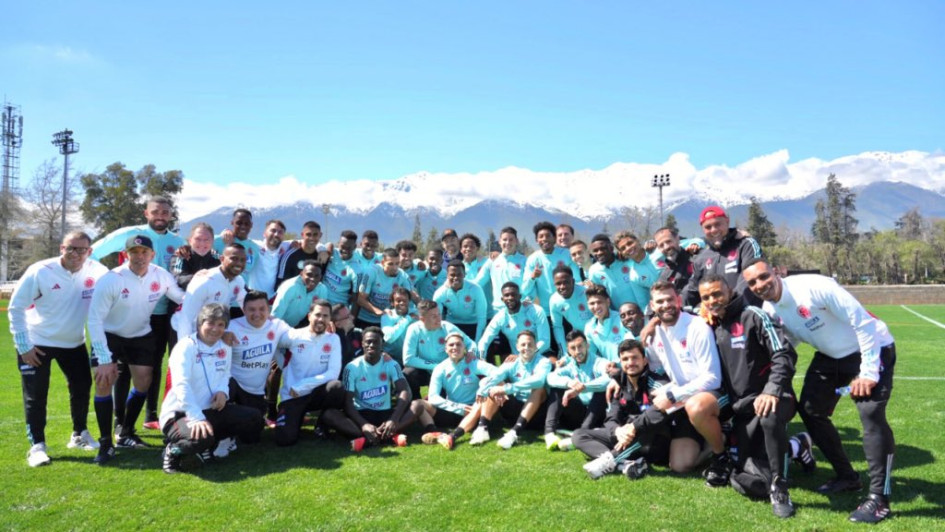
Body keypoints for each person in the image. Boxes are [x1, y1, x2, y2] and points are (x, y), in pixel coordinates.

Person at [743, 259, 897, 524]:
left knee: (870, 413)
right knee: (812, 411)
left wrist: (868, 372)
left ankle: (879, 499)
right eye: (752, 282)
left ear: (777, 272)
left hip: (873, 347)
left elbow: (863, 322)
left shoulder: (815, 287)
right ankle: (847, 477)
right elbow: (786, 344)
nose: (760, 285)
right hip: (830, 357)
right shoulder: (770, 308)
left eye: (763, 276)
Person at [698, 274, 800, 518]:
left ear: (730, 291)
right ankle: (797, 447)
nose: (712, 300)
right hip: (743, 409)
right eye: (706, 297)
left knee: (769, 415)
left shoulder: (755, 315)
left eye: (717, 294)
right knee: (749, 483)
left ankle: (780, 488)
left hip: (774, 398)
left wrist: (771, 390)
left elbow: (784, 355)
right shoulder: (712, 325)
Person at [9, 231, 109, 467]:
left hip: (73, 343)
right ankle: (37, 447)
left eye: (81, 249)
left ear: (89, 251)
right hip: (37, 342)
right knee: (36, 395)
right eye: (70, 248)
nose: (75, 254)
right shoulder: (40, 270)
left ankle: (79, 435)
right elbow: (16, 307)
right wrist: (24, 346)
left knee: (82, 387)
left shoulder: (97, 271)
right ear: (61, 248)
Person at [90, 196, 185, 433]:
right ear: (146, 213)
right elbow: (92, 253)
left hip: (154, 318)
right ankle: (115, 425)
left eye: (165, 212)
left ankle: (140, 420)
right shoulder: (126, 240)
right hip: (118, 322)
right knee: (115, 374)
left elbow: (179, 293)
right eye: (156, 211)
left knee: (148, 371)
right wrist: (106, 278)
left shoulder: (173, 249)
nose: (161, 215)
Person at [159, 303, 264, 474]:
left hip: (210, 410)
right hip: (180, 414)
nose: (215, 329)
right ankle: (173, 450)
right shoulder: (185, 347)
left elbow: (225, 374)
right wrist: (196, 418)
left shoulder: (224, 345)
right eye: (211, 323)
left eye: (221, 324)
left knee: (254, 419)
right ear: (200, 323)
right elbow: (181, 386)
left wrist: (223, 391)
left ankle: (208, 444)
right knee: (200, 439)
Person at [646, 281, 730, 483]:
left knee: (696, 406)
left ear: (679, 300)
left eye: (669, 299)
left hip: (714, 395)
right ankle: (716, 440)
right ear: (652, 306)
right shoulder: (655, 333)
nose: (666, 305)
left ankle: (721, 456)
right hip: (684, 396)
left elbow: (712, 378)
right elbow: (652, 366)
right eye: (660, 301)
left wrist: (672, 395)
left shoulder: (697, 326)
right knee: (680, 466)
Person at [574, 339, 676, 480]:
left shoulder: (657, 384)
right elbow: (611, 418)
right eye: (625, 359)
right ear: (620, 363)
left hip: (652, 441)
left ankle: (610, 460)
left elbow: (657, 415)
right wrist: (618, 430)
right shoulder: (620, 385)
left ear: (645, 361)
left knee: (647, 425)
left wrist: (632, 427)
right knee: (579, 435)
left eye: (635, 358)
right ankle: (625, 463)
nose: (630, 362)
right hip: (625, 437)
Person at [319, 327, 423, 451]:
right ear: (362, 343)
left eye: (375, 342)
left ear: (382, 344)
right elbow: (347, 402)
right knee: (329, 414)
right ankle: (388, 436)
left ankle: (367, 439)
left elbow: (404, 391)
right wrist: (364, 424)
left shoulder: (391, 364)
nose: (371, 345)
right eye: (368, 341)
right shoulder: (351, 367)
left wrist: (393, 419)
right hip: (362, 414)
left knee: (418, 405)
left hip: (385, 414)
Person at [272, 299, 345, 447]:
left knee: (336, 387)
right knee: (285, 440)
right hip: (292, 396)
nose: (321, 319)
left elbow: (333, 373)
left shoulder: (333, 339)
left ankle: (322, 424)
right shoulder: (294, 336)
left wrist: (302, 386)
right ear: (309, 316)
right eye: (317, 315)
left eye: (325, 316)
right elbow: (273, 346)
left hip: (313, 393)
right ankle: (295, 417)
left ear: (330, 319)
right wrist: (283, 365)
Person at [226, 290, 291, 455]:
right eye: (252, 309)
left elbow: (298, 338)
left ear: (269, 310)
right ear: (244, 310)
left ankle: (236, 424)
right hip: (233, 385)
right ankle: (222, 433)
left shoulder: (277, 326)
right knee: (226, 386)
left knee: (252, 438)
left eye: (262, 309)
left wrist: (323, 326)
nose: (257, 314)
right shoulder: (232, 327)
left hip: (255, 391)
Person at [416, 332, 497, 450]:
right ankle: (435, 433)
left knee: (486, 394)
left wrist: (484, 385)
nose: (455, 347)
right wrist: (459, 408)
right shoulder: (440, 368)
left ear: (465, 348)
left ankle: (454, 435)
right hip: (453, 409)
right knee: (419, 404)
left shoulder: (475, 363)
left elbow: (498, 373)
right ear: (445, 349)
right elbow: (433, 397)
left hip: (473, 411)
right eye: (451, 345)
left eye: (459, 345)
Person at [472, 330, 552, 449]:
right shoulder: (511, 363)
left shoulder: (544, 362)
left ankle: (514, 433)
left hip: (537, 414)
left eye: (530, 344)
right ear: (517, 347)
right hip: (515, 409)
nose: (527, 347)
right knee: (494, 386)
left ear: (536, 346)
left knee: (539, 389)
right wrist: (483, 389)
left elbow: (539, 380)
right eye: (523, 344)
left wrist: (507, 388)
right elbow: (495, 377)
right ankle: (482, 428)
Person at [682, 205, 762, 309]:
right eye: (708, 227)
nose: (714, 230)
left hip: (746, 314)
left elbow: (750, 279)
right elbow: (692, 290)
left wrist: (728, 307)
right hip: (715, 317)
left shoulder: (746, 245)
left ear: (727, 222)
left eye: (718, 224)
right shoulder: (701, 257)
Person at [543, 331, 610, 450]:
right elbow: (550, 378)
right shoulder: (570, 365)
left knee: (601, 391)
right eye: (573, 348)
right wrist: (569, 383)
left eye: (580, 346)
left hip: (598, 413)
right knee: (558, 388)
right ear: (568, 351)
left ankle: (581, 435)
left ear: (587, 345)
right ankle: (549, 434)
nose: (577, 351)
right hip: (579, 412)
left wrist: (583, 387)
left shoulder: (599, 362)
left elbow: (608, 379)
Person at [402, 300, 476, 400]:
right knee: (408, 373)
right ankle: (414, 403)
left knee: (441, 403)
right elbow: (407, 359)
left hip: (447, 370)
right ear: (422, 319)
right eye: (433, 316)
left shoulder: (448, 327)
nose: (439, 319)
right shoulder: (414, 329)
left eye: (439, 314)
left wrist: (471, 351)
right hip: (425, 368)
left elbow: (470, 343)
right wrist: (435, 366)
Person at [171, 243, 247, 338]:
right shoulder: (204, 281)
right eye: (234, 258)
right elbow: (186, 318)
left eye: (243, 260)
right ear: (222, 259)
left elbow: (246, 305)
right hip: (187, 330)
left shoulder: (239, 281)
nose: (239, 263)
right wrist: (184, 348)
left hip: (210, 331)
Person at [478, 282, 551, 362]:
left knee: (552, 363)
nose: (510, 298)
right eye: (506, 295)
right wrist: (482, 359)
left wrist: (524, 355)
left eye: (513, 295)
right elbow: (484, 341)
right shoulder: (500, 317)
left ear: (519, 296)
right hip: (516, 360)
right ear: (502, 299)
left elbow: (545, 342)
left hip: (539, 354)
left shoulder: (536, 311)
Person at [521, 221, 580, 317]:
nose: (544, 239)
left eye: (548, 236)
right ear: (536, 240)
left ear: (554, 239)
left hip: (570, 307)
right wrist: (533, 277)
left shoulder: (566, 254)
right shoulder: (532, 259)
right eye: (541, 236)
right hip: (548, 311)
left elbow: (577, 280)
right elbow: (525, 290)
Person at [589, 232, 658, 311]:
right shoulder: (593, 272)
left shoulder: (627, 259)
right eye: (595, 250)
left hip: (648, 309)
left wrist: (650, 246)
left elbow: (642, 257)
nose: (599, 252)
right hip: (624, 317)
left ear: (611, 248)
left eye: (603, 248)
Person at [357, 248, 416, 329]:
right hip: (364, 319)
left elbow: (413, 295)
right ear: (383, 263)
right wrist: (379, 312)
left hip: (386, 321)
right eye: (390, 264)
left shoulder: (402, 275)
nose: (395, 268)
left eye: (397, 263)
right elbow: (360, 299)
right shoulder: (372, 272)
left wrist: (424, 310)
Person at [432, 260, 488, 341]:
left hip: (473, 325)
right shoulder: (440, 293)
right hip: (452, 325)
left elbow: (482, 318)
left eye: (459, 274)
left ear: (464, 274)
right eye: (452, 275)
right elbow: (437, 318)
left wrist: (477, 342)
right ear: (447, 275)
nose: (456, 278)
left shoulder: (476, 289)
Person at [549, 265, 594, 354]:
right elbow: (557, 326)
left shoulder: (586, 292)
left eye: (566, 282)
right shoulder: (554, 301)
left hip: (596, 333)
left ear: (573, 281)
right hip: (579, 336)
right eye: (558, 283)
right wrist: (564, 351)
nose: (562, 287)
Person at [272, 260, 328, 328]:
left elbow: (321, 313)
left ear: (320, 277)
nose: (313, 279)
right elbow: (276, 315)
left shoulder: (322, 290)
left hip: (294, 328)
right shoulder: (290, 287)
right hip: (276, 325)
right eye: (309, 275)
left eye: (317, 276)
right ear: (301, 274)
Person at [583, 284, 631, 362]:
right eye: (592, 303)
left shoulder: (621, 318)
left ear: (608, 302)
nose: (596, 307)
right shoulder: (589, 327)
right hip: (612, 371)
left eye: (599, 302)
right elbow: (590, 355)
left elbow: (634, 345)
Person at [212, 208, 262, 283]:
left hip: (241, 291)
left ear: (251, 225)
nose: (243, 226)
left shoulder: (256, 248)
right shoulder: (220, 240)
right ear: (232, 223)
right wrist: (187, 249)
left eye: (246, 223)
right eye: (239, 223)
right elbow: (196, 245)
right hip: (217, 290)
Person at [488, 227, 527, 316]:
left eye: (511, 240)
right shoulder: (492, 261)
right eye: (505, 240)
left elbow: (530, 284)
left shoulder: (524, 261)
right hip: (498, 310)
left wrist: (527, 299)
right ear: (499, 242)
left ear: (516, 241)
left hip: (519, 309)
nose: (508, 243)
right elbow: (480, 281)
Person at [170, 222, 220, 291]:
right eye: (198, 239)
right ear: (190, 240)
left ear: (212, 241)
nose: (202, 243)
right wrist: (197, 278)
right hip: (184, 298)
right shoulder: (181, 255)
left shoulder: (218, 258)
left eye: (206, 240)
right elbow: (177, 277)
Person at [249, 219, 291, 299]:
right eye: (273, 230)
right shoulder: (254, 245)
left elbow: (307, 242)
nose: (276, 234)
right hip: (253, 297)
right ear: (264, 234)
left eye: (280, 232)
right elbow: (238, 239)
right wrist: (227, 233)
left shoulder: (285, 246)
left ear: (283, 236)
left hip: (272, 298)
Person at [276, 221, 324, 289]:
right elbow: (281, 283)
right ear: (302, 235)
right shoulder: (290, 255)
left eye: (315, 234)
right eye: (308, 234)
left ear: (320, 235)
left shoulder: (321, 257)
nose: (312, 238)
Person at [381, 287, 417, 365]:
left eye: (405, 300)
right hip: (390, 357)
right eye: (398, 301)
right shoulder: (387, 315)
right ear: (392, 303)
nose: (402, 303)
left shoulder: (417, 314)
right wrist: (407, 319)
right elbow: (389, 338)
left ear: (409, 301)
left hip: (410, 356)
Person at [459, 233, 493, 314]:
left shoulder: (487, 263)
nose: (468, 249)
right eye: (465, 246)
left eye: (472, 246)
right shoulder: (458, 267)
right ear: (460, 249)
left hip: (487, 312)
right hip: (466, 313)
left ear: (477, 248)